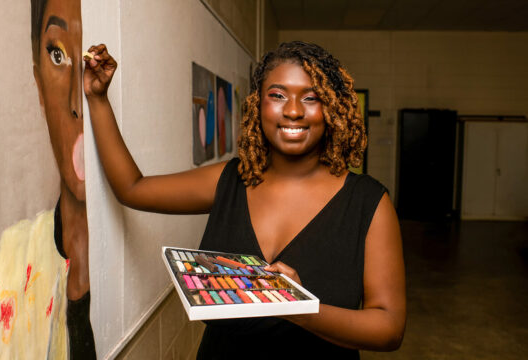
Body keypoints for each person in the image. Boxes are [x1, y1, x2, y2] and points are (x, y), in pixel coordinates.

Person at [85, 41, 405, 358]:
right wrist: (98, 99)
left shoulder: (368, 202)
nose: (293, 111)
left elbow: (389, 328)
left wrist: (298, 306)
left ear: (331, 107)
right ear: (258, 105)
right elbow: (132, 188)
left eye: (311, 98)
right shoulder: (230, 180)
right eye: (277, 95)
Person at [0, 0, 95, 358]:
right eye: (58, 54)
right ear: (38, 83)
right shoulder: (7, 271)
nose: (77, 101)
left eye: (93, 61)